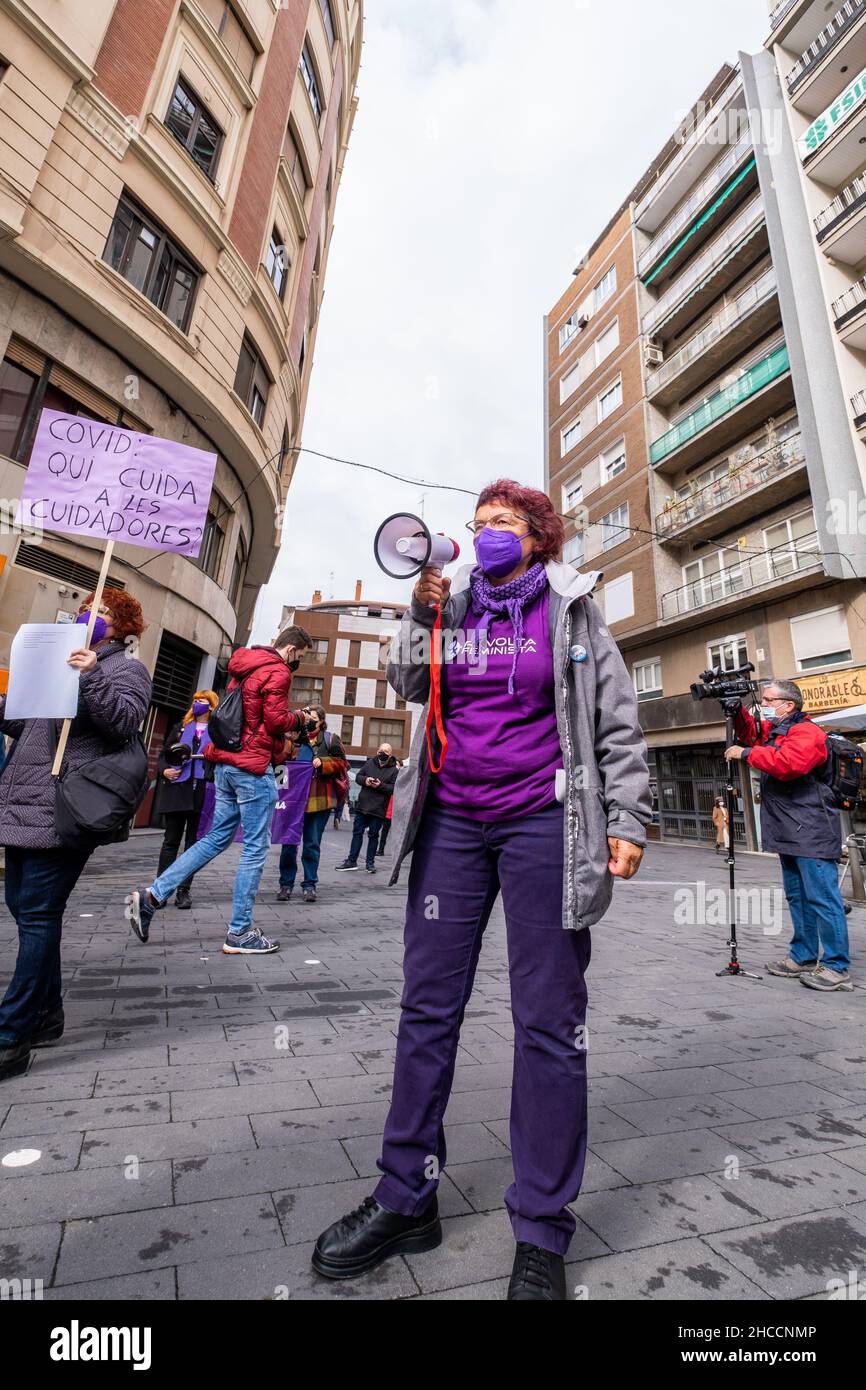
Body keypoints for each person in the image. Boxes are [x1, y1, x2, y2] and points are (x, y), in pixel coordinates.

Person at [313, 478, 651, 1299]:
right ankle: (405, 1197)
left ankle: (541, 1229)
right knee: (426, 1008)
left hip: (545, 824)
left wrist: (630, 816)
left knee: (548, 1023)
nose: (486, 533)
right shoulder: (452, 606)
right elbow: (406, 686)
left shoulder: (572, 611)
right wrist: (422, 616)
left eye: (503, 523)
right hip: (452, 827)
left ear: (538, 536)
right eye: (478, 523)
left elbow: (615, 718)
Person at [0, 588, 152, 1080]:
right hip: (22, 798)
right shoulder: (55, 659)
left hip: (64, 805)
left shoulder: (124, 668)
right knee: (25, 909)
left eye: (105, 612)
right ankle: (46, 1015)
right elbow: (19, 725)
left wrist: (90, 676)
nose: (93, 615)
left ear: (124, 628)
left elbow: (123, 721)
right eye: (89, 608)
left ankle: (10, 1036)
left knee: (40, 914)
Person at [126, 624, 312, 955]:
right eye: (301, 656)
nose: (297, 662)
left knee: (215, 838)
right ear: (292, 650)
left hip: (225, 764)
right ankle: (239, 932)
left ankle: (152, 896)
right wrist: (300, 719)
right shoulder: (279, 670)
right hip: (252, 768)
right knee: (255, 847)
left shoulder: (245, 664)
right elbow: (274, 721)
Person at [726, 678, 853, 991]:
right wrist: (736, 711)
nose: (764, 705)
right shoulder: (780, 730)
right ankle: (804, 956)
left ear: (788, 705)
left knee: (823, 899)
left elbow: (788, 764)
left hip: (812, 830)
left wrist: (744, 755)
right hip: (792, 831)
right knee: (798, 897)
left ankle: (836, 966)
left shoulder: (807, 732)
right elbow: (754, 735)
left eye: (769, 701)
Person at [154, 690, 218, 909]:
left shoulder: (217, 731)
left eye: (201, 700)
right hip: (177, 788)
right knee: (170, 841)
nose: (196, 703)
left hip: (202, 789)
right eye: (195, 700)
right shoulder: (181, 727)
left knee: (193, 844)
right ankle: (160, 891)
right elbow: (164, 754)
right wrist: (164, 772)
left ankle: (183, 891)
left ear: (211, 706)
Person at [277, 705, 348, 903]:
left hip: (319, 800)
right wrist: (280, 794)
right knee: (289, 844)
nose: (308, 721)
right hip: (292, 802)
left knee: (312, 844)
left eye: (313, 718)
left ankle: (309, 884)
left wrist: (324, 763)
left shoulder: (330, 739)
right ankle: (286, 884)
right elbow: (279, 766)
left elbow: (342, 763)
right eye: (306, 717)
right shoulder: (291, 740)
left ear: (321, 721)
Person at [335, 744, 398, 875]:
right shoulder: (369, 763)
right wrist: (366, 780)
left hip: (378, 808)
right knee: (357, 833)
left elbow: (394, 789)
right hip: (363, 805)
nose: (383, 753)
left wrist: (380, 785)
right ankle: (352, 861)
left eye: (386, 751)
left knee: (373, 836)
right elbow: (358, 777)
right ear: (377, 751)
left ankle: (370, 863)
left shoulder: (394, 771)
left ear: (390, 755)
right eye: (381, 750)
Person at [376, 790, 395, 857]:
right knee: (385, 833)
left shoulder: (389, 793)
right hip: (388, 815)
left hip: (388, 815)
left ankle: (381, 850)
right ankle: (381, 850)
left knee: (384, 834)